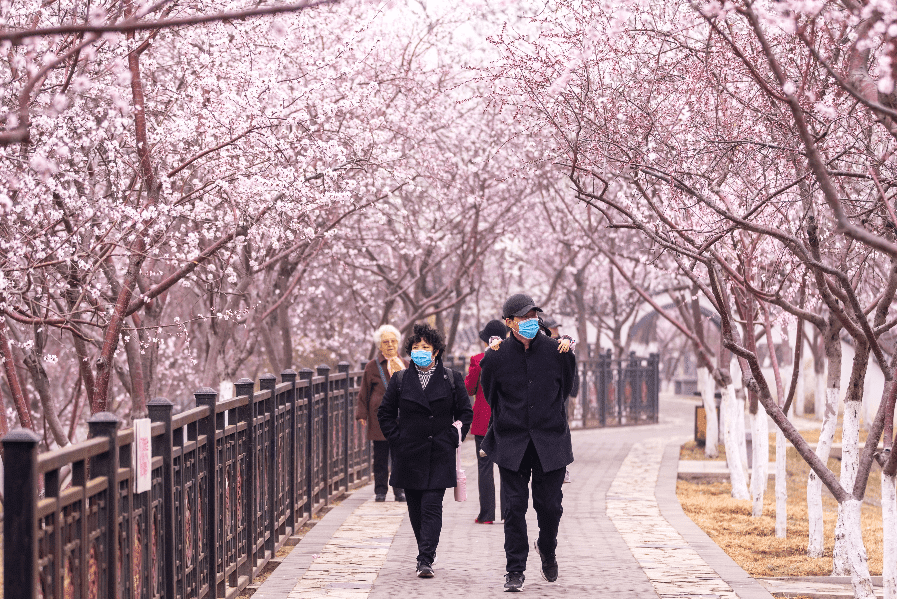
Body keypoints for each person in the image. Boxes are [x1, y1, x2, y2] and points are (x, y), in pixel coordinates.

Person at [480, 294, 576, 592]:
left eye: (534, 316)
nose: (531, 321)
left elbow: (567, 390)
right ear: (508, 322)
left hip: (550, 441)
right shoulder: (495, 357)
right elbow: (490, 394)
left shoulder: (558, 352)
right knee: (514, 508)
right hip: (512, 442)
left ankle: (547, 548)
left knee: (550, 507)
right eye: (524, 317)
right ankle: (515, 570)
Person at [378, 323, 473, 578]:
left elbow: (465, 412)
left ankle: (425, 558)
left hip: (439, 452)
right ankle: (425, 550)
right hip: (409, 454)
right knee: (416, 508)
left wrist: (455, 435)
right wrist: (397, 438)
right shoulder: (400, 380)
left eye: (426, 347)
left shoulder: (451, 379)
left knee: (432, 504)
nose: (420, 351)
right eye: (416, 347)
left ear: (436, 351)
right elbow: (385, 413)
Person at [356, 324, 407, 502]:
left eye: (393, 341)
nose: (390, 345)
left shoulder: (406, 365)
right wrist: (362, 414)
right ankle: (380, 490)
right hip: (379, 417)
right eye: (386, 342)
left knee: (400, 455)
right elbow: (364, 391)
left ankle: (399, 490)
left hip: (401, 417)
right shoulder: (372, 367)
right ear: (380, 345)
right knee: (380, 456)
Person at [465, 319, 508, 524]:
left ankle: (487, 514)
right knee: (508, 467)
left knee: (485, 466)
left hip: (484, 421)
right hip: (508, 420)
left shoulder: (478, 359)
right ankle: (508, 514)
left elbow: (470, 388)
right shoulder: (512, 358)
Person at [540, 314, 578, 484]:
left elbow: (572, 371)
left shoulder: (562, 345)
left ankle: (561, 467)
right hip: (544, 398)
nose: (556, 331)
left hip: (559, 395)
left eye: (557, 328)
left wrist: (567, 340)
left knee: (560, 429)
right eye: (553, 328)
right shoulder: (539, 346)